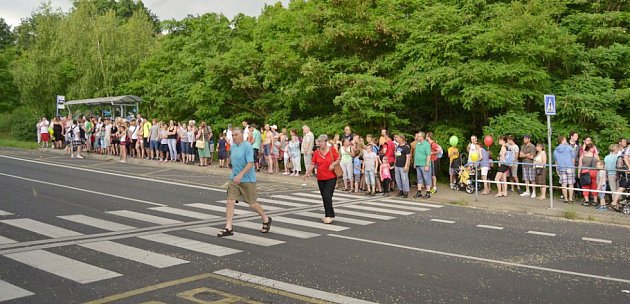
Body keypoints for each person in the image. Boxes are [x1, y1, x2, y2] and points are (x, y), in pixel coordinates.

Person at [218, 127, 272, 237]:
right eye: (232, 135)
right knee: (230, 201)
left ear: (242, 135)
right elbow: (233, 160)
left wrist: (241, 174)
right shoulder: (233, 147)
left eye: (236, 135)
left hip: (247, 179)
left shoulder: (247, 146)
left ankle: (266, 218)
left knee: (252, 203)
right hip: (234, 179)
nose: (234, 137)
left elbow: (250, 163)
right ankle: (229, 227)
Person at [304, 134, 340, 224]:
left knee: (327, 195)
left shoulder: (332, 150)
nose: (319, 144)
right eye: (318, 142)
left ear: (325, 142)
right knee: (324, 196)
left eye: (320, 142)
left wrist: (333, 164)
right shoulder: (316, 152)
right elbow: (313, 163)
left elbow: (338, 159)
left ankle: (329, 215)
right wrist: (307, 172)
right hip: (320, 177)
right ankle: (327, 214)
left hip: (331, 177)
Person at [554, 136, 577, 204]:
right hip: (570, 167)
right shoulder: (569, 148)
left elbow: (556, 161)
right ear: (563, 140)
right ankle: (570, 199)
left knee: (563, 184)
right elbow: (573, 158)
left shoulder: (556, 150)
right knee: (571, 184)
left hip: (561, 167)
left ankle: (565, 199)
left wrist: (557, 169)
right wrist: (573, 167)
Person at [413, 132, 432, 199]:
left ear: (422, 137)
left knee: (427, 179)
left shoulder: (426, 144)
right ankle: (419, 192)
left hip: (424, 164)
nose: (417, 137)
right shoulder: (417, 144)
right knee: (419, 179)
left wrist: (427, 165)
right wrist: (415, 162)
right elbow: (416, 154)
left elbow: (428, 155)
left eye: (418, 136)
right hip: (418, 164)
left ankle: (428, 192)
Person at [394, 134, 411, 198]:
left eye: (398, 138)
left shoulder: (406, 147)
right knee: (398, 179)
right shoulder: (398, 146)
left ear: (401, 138)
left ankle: (406, 191)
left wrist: (406, 165)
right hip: (397, 165)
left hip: (403, 165)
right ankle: (400, 190)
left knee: (404, 179)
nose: (396, 139)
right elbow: (397, 155)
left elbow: (408, 157)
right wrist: (395, 163)